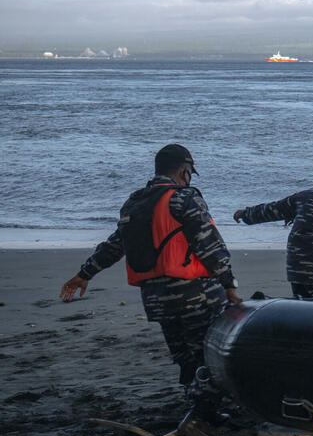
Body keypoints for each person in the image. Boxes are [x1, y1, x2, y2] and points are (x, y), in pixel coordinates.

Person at [59, 144, 241, 421]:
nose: (189, 177)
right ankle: (208, 412)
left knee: (182, 353)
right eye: (190, 172)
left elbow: (115, 245)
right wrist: (228, 283)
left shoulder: (135, 203)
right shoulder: (184, 198)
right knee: (205, 350)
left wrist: (84, 274)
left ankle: (194, 401)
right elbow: (208, 243)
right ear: (184, 170)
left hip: (155, 297)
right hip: (192, 293)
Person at [233, 156, 313, 298]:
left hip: (296, 270)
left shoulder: (303, 197)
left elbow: (272, 210)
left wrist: (245, 214)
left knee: (302, 305)